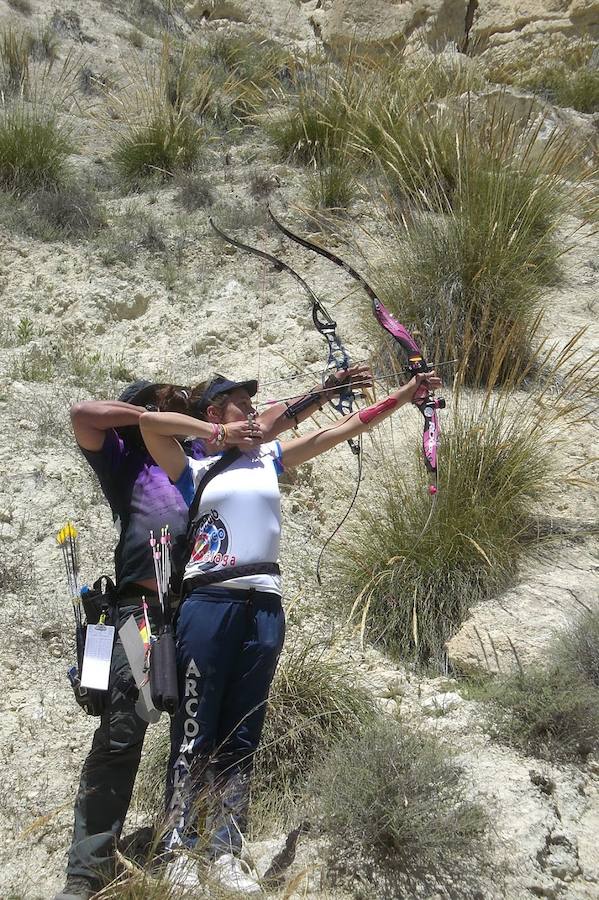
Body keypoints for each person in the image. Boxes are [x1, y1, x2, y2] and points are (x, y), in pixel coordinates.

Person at [56, 369, 370, 900]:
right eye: (163, 405)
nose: (176, 410)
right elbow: (83, 415)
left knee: (208, 727)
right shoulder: (126, 459)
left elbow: (271, 423)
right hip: (140, 612)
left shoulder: (203, 458)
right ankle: (87, 872)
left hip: (198, 607)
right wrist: (159, 418)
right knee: (123, 731)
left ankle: (206, 843)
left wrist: (323, 392)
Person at [139, 368, 441, 890]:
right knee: (194, 729)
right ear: (213, 413)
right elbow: (149, 424)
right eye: (240, 404)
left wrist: (405, 394)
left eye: (252, 406)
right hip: (209, 603)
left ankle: (226, 848)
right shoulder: (193, 465)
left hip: (264, 606)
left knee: (243, 733)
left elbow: (347, 427)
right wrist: (219, 434)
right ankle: (178, 847)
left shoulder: (270, 458)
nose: (252, 412)